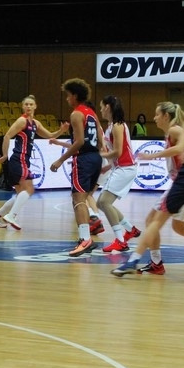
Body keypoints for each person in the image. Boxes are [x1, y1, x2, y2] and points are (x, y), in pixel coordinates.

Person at [112, 90, 184, 283]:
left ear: (165, 116)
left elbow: (181, 147)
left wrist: (158, 155)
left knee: (153, 221)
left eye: (156, 114)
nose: (154, 118)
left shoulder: (177, 130)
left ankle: (144, 261)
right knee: (180, 227)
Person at [0, 95, 66, 229]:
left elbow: (50, 135)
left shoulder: (35, 123)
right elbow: (7, 136)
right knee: (29, 189)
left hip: (23, 160)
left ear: (35, 106)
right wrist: (5, 155)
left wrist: (61, 131)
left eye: (31, 104)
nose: (28, 106)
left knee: (20, 194)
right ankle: (12, 216)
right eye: (26, 104)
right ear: (23, 107)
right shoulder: (21, 121)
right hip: (19, 159)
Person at [50, 78, 104, 257]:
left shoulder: (76, 114)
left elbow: (79, 141)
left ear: (74, 95)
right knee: (84, 197)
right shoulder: (92, 113)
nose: (67, 99)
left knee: (78, 199)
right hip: (96, 158)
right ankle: (86, 237)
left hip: (83, 160)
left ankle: (85, 239)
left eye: (68, 95)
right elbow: (101, 139)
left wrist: (60, 160)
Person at [95, 95, 142, 252]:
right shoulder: (111, 125)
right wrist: (107, 167)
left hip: (125, 168)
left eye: (102, 106)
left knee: (104, 202)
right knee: (102, 203)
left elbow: (118, 152)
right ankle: (130, 229)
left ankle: (121, 241)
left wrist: (101, 155)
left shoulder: (117, 126)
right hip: (121, 167)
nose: (101, 110)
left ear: (108, 107)